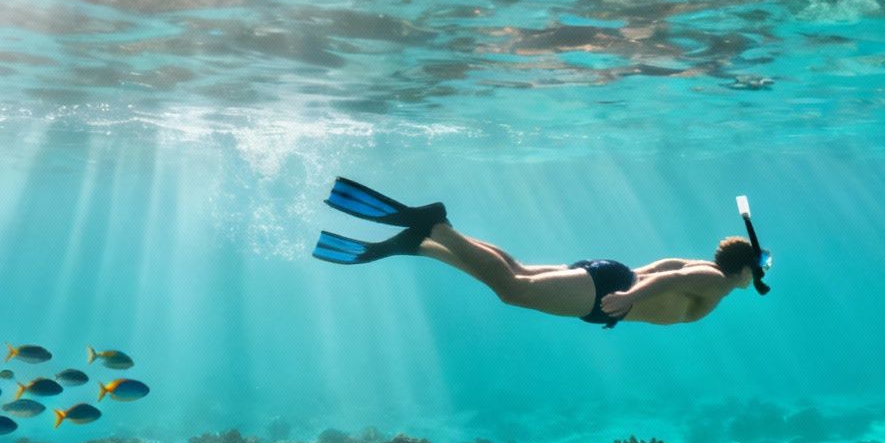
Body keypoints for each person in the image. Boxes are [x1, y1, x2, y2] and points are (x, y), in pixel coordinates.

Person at [311, 177, 771, 328]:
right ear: (746, 269)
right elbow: (665, 282)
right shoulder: (717, 282)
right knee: (512, 290)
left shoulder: (705, 266)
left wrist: (629, 292)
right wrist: (631, 299)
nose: (762, 273)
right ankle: (437, 226)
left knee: (515, 272)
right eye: (762, 265)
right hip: (609, 293)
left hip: (606, 279)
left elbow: (666, 272)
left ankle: (427, 245)